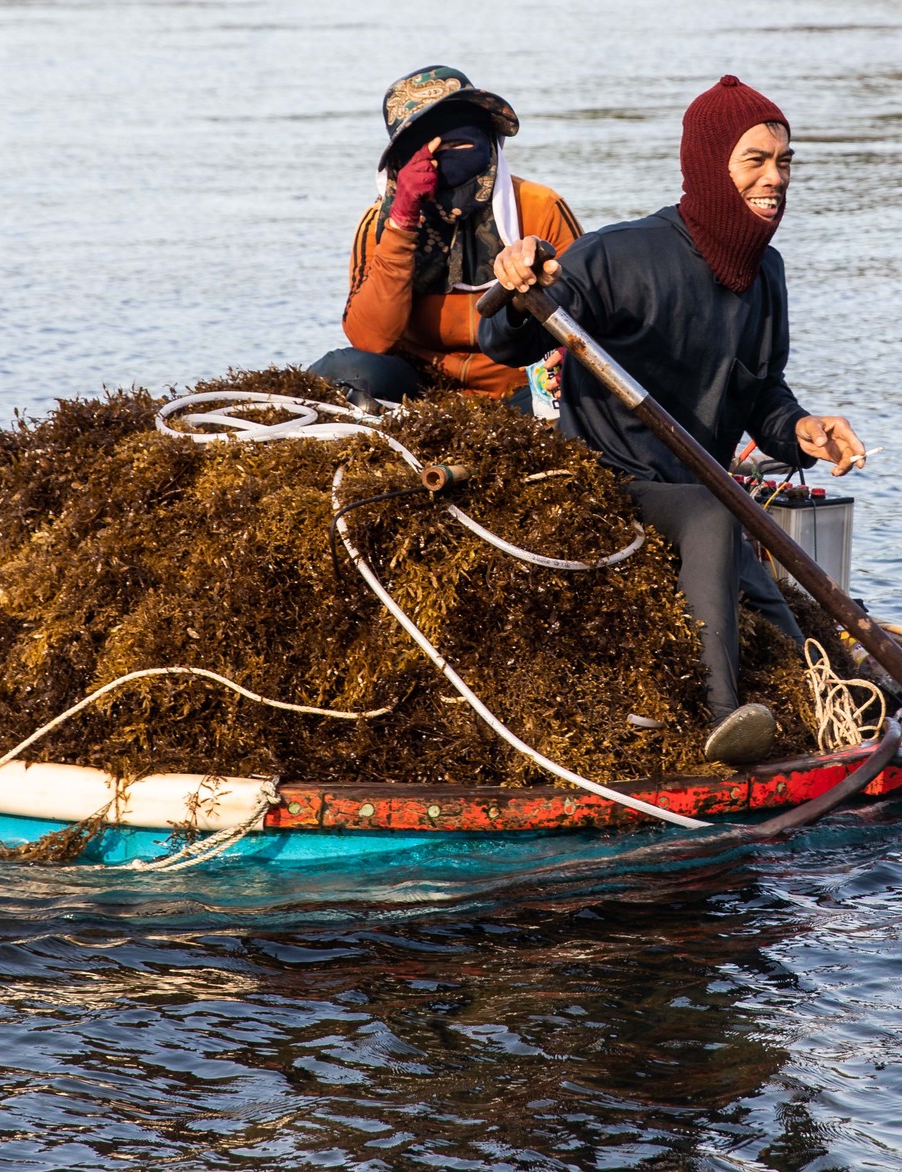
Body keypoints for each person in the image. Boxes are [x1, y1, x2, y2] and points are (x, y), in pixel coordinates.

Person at [478, 75, 868, 766]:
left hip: (704, 495)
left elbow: (759, 393)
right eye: (756, 160)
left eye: (784, 161)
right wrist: (517, 280)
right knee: (718, 515)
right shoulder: (620, 256)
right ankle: (722, 720)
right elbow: (506, 342)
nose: (775, 178)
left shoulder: (765, 273)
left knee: (805, 650)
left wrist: (801, 429)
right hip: (608, 488)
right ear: (710, 167)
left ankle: (831, 700)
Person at [311, 66, 583, 413]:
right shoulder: (378, 224)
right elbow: (370, 339)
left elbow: (587, 310)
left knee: (585, 388)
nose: (447, 153)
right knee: (343, 368)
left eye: (461, 136)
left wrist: (564, 357)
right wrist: (403, 220)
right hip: (417, 386)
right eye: (429, 143)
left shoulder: (539, 207)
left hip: (522, 386)